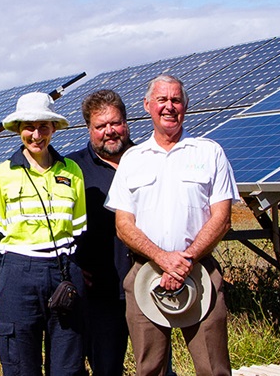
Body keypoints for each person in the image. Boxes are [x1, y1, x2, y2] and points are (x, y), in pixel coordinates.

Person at [105, 74, 239, 376]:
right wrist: (163, 259)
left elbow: (222, 217)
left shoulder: (208, 152)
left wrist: (185, 260)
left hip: (201, 270)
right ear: (148, 106)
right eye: (162, 100)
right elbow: (123, 224)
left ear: (185, 106)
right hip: (145, 273)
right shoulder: (133, 159)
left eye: (176, 100)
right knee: (149, 368)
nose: (169, 107)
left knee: (213, 368)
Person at [0, 92, 87, 375]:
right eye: (29, 126)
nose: (36, 134)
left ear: (53, 128)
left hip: (63, 271)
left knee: (68, 365)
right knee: (20, 364)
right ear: (18, 129)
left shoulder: (72, 171)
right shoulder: (0, 176)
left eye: (43, 126)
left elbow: (79, 231)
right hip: (17, 273)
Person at [66, 89, 133, 375]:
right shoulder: (73, 169)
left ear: (126, 123)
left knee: (156, 366)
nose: (109, 131)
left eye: (115, 123)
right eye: (100, 126)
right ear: (89, 129)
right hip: (101, 292)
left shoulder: (147, 159)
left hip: (149, 285)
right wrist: (72, 268)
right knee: (107, 368)